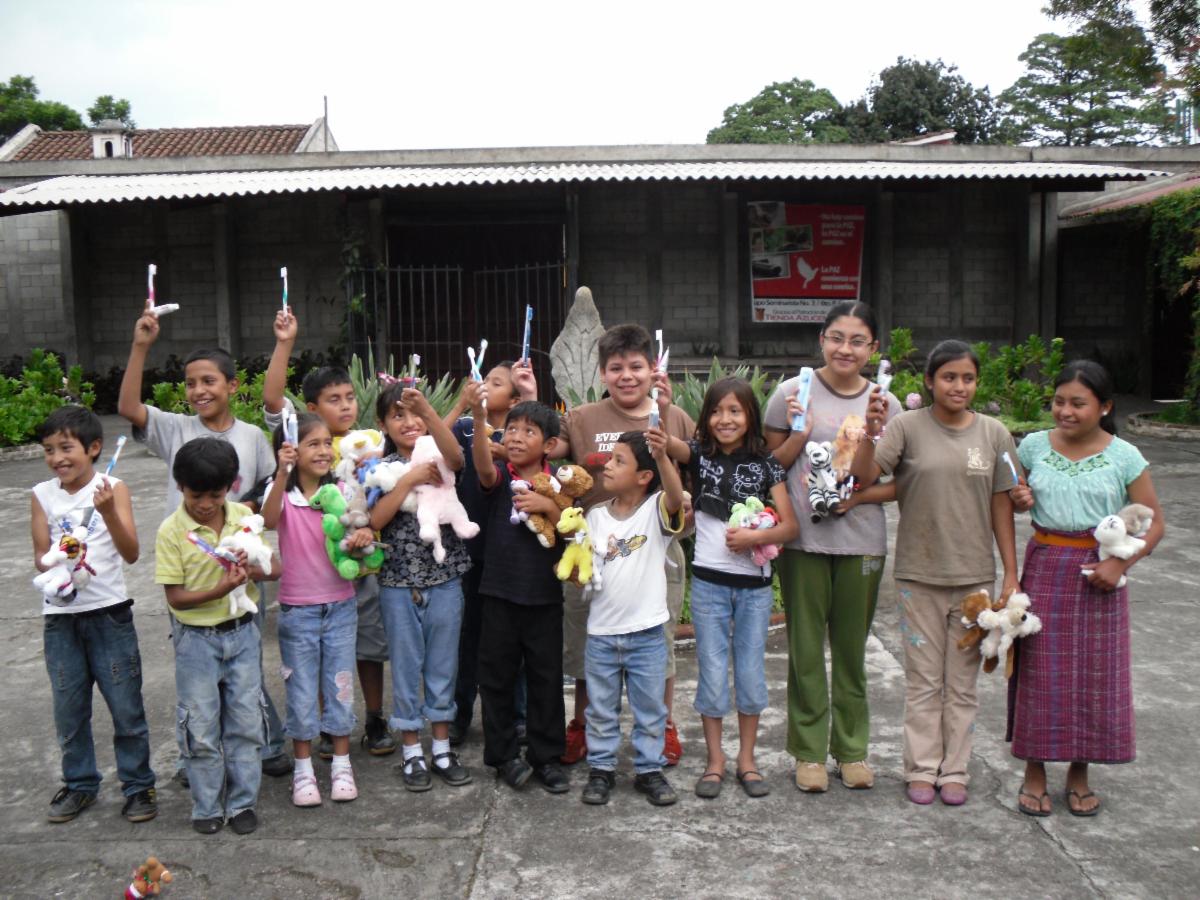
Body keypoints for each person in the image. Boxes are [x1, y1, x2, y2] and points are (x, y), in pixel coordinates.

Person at [117, 302, 292, 780]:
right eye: (191, 383)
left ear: (232, 386)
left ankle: (264, 744)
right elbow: (128, 408)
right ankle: (197, 755)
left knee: (243, 665)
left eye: (209, 381)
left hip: (241, 572)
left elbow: (264, 497)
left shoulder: (252, 437)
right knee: (197, 669)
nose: (198, 390)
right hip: (189, 568)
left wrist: (247, 521)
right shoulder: (175, 428)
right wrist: (140, 346)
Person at [851, 340, 1020, 806]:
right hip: (918, 577)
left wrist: (1011, 572)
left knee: (962, 685)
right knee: (924, 682)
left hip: (974, 581)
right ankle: (922, 769)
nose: (958, 386)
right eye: (949, 377)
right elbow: (864, 478)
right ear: (929, 381)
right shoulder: (906, 426)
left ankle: (956, 771)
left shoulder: (995, 434)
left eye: (968, 378)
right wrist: (869, 433)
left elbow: (1003, 504)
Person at [1007, 361, 1164, 817]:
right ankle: (1034, 770)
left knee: (1096, 675)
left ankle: (1080, 772)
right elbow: (1014, 496)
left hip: (1102, 574)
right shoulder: (1033, 446)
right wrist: (1019, 497)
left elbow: (1154, 522)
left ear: (1105, 407)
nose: (1066, 411)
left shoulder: (1125, 457)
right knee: (1040, 671)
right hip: (1046, 566)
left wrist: (1120, 563)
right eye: (1059, 401)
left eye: (1078, 403)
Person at [763, 301, 901, 793]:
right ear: (821, 339)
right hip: (803, 538)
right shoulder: (790, 393)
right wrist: (799, 432)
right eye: (837, 337)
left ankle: (852, 749)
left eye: (857, 340)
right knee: (804, 648)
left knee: (851, 650)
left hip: (861, 540)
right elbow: (769, 467)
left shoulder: (886, 403)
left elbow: (882, 479)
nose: (846, 349)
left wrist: (874, 434)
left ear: (873, 348)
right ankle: (808, 751)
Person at [551, 324, 694, 766]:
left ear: (653, 369)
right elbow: (547, 449)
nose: (627, 376)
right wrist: (528, 396)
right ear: (602, 373)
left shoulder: (674, 415)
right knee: (585, 644)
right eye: (616, 368)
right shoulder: (583, 417)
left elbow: (696, 468)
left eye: (636, 367)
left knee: (658, 644)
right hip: (592, 553)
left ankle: (662, 727)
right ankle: (582, 724)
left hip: (655, 553)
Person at [262, 308, 396, 759]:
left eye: (349, 397)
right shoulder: (308, 442)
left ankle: (374, 717)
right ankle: (326, 725)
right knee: (321, 653)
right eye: (333, 399)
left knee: (369, 647)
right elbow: (273, 399)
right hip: (316, 575)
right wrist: (285, 342)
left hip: (362, 563)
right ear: (312, 410)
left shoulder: (371, 442)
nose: (345, 405)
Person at [661, 378, 798, 799]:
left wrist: (756, 537)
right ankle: (715, 760)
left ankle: (747, 760)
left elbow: (790, 527)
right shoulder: (699, 455)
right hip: (708, 586)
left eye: (735, 411)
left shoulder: (767, 463)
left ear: (750, 416)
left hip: (754, 589)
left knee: (751, 673)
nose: (725, 419)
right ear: (706, 417)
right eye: (717, 411)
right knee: (712, 672)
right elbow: (666, 444)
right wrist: (662, 405)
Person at [32, 406, 156, 825]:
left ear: (94, 448)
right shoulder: (41, 494)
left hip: (110, 615)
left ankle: (138, 786)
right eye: (49, 449)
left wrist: (106, 513)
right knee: (69, 710)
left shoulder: (113, 488)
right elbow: (40, 557)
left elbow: (131, 552)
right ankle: (80, 783)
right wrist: (62, 558)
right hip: (60, 618)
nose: (57, 458)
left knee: (126, 707)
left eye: (66, 448)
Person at [155, 438, 280, 835]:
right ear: (180, 486)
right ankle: (206, 805)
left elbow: (274, 568)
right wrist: (220, 589)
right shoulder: (172, 531)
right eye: (196, 495)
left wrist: (251, 569)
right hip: (195, 641)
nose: (206, 504)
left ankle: (243, 802)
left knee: (245, 721)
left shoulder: (243, 515)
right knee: (200, 726)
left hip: (242, 633)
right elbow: (176, 598)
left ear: (230, 487)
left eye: (216, 494)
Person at [263, 413, 373, 806]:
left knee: (340, 686)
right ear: (290, 450)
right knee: (301, 691)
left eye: (328, 443)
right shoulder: (283, 493)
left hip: (341, 605)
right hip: (297, 611)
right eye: (313, 444)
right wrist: (282, 472)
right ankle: (303, 770)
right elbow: (267, 519)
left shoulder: (342, 490)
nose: (324, 450)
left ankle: (341, 764)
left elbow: (361, 532)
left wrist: (362, 537)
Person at [368, 382, 472, 792]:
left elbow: (457, 457)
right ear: (382, 424)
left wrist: (434, 412)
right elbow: (376, 520)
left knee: (443, 665)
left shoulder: (439, 453)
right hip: (397, 583)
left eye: (415, 414)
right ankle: (412, 751)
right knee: (406, 666)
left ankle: (442, 749)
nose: (408, 422)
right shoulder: (377, 467)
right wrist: (408, 479)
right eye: (398, 415)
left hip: (445, 579)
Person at [470, 393, 572, 792]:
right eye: (511, 429)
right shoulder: (500, 475)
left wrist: (547, 505)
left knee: (546, 677)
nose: (515, 437)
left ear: (549, 444)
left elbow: (572, 529)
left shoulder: (560, 481)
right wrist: (478, 416)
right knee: (496, 678)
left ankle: (547, 756)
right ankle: (504, 757)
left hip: (545, 596)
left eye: (528, 431)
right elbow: (482, 466)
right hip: (498, 592)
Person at [580, 431, 686, 806]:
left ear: (644, 476)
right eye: (610, 458)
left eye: (619, 461)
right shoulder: (594, 516)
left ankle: (649, 770)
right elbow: (585, 564)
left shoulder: (656, 509)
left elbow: (676, 497)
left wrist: (663, 456)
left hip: (648, 634)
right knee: (600, 710)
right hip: (601, 635)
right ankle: (601, 769)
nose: (607, 466)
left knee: (651, 710)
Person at [442, 359, 538, 746]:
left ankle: (518, 715)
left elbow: (542, 458)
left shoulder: (520, 436)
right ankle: (458, 713)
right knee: (466, 637)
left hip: (511, 553)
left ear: (514, 398)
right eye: (483, 379)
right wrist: (464, 407)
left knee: (513, 640)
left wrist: (508, 453)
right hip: (468, 550)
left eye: (496, 382)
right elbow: (435, 446)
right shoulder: (466, 427)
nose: (484, 384)